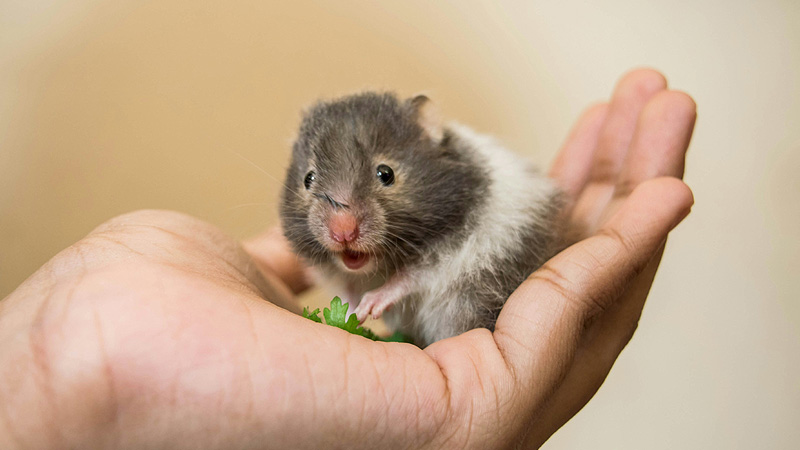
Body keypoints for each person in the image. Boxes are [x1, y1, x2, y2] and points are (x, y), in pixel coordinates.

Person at [0, 69, 695, 449]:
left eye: (384, 177)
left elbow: (452, 243)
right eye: (314, 188)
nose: (341, 223)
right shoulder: (319, 232)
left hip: (471, 264)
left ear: (427, 144)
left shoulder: (467, 188)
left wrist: (411, 284)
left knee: (458, 302)